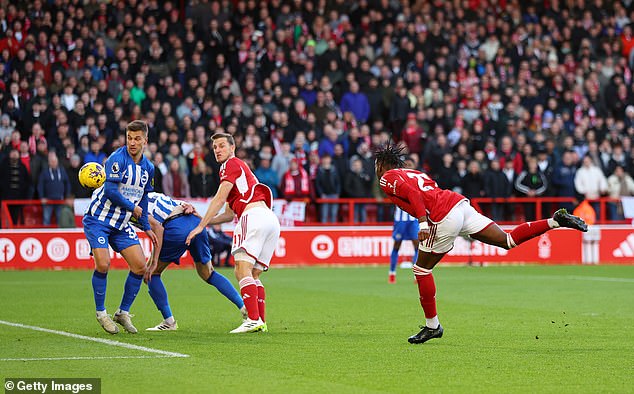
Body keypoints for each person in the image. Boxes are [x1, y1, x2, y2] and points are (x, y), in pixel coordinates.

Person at [375, 144, 588, 344]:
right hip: (458, 204)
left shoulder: (387, 178)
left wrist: (423, 225)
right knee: (507, 240)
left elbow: (413, 195)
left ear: (381, 164)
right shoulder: (415, 172)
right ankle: (555, 221)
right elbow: (428, 190)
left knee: (421, 270)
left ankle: (433, 326)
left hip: (443, 217)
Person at [186, 133, 280, 334]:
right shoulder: (242, 171)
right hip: (269, 219)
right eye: (214, 147)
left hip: (253, 216)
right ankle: (260, 320)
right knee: (253, 273)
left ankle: (253, 319)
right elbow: (228, 214)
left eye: (221, 146)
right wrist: (205, 220)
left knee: (240, 269)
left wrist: (200, 226)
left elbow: (219, 199)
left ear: (232, 148)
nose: (217, 150)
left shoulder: (230, 165)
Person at [83, 120, 158, 334]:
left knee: (140, 266)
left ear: (145, 140)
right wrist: (132, 208)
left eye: (136, 139)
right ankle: (101, 314)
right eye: (129, 138)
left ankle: (122, 312)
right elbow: (110, 192)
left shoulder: (148, 168)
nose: (132, 143)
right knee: (104, 264)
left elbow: (144, 198)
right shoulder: (117, 159)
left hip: (121, 223)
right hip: (99, 219)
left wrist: (146, 226)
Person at [141, 192, 246, 331]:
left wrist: (153, 260)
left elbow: (158, 230)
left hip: (176, 228)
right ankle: (243, 307)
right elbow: (184, 205)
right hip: (194, 222)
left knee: (152, 273)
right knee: (208, 273)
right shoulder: (154, 195)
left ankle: (169, 322)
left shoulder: (133, 204)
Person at [388, 157, 419, 284]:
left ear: (414, 166)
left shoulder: (417, 180)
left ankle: (416, 275)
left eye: (410, 164)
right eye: (405, 165)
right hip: (400, 219)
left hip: (413, 219)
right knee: (397, 245)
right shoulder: (397, 180)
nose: (408, 166)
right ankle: (392, 273)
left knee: (417, 245)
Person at [37, 151, 71, 226]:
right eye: (51, 161)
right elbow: (40, 185)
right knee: (46, 218)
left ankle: (60, 235)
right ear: (49, 163)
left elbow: (67, 184)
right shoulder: (45, 172)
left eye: (55, 161)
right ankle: (45, 235)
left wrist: (67, 196)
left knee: (60, 218)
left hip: (60, 200)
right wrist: (42, 197)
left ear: (57, 162)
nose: (53, 163)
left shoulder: (62, 171)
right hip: (48, 200)